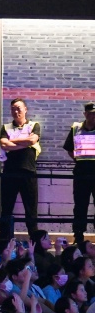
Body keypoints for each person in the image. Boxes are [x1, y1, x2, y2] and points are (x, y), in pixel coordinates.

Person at [0, 98, 40, 240]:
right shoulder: (6, 127)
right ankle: (4, 239)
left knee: (31, 208)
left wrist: (12, 142)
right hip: (10, 173)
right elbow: (4, 145)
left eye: (18, 108)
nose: (16, 111)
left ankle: (34, 239)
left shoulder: (34, 125)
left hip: (29, 172)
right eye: (13, 109)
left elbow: (32, 140)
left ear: (25, 109)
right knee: (6, 207)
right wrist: (24, 143)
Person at [64, 101, 95, 243]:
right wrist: (79, 159)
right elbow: (69, 149)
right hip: (81, 172)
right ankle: (78, 236)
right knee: (80, 205)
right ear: (85, 114)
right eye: (90, 114)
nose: (93, 116)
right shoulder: (76, 128)